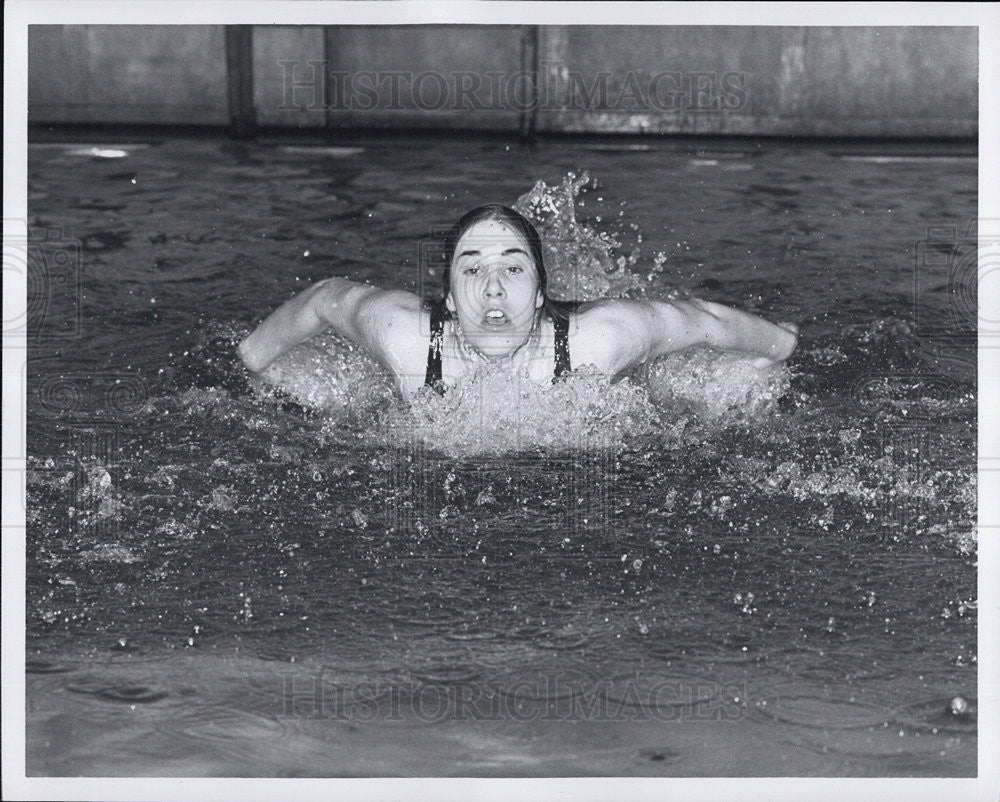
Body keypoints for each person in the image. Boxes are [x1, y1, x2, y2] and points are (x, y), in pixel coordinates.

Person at [238, 204, 798, 398]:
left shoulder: (597, 342)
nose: (494, 287)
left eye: (513, 266)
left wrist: (782, 344)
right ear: (450, 301)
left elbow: (701, 320)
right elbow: (324, 297)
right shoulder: (406, 338)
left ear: (540, 291)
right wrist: (249, 362)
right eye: (472, 268)